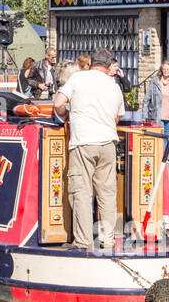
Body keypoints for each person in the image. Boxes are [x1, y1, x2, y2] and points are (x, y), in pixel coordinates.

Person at [52, 47, 125, 250]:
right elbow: (118, 117)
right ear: (109, 65)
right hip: (108, 143)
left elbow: (58, 102)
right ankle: (107, 240)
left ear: (92, 63)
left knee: (82, 192)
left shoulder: (78, 79)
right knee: (107, 194)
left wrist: (66, 115)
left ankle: (84, 242)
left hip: (83, 142)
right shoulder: (114, 86)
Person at [143, 60, 169, 142]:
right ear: (161, 70)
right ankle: (160, 155)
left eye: (168, 69)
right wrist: (145, 115)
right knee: (159, 139)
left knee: (166, 139)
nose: (166, 71)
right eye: (164, 69)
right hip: (156, 116)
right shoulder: (155, 82)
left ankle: (164, 155)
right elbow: (146, 99)